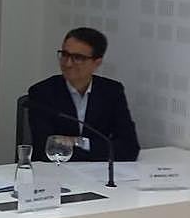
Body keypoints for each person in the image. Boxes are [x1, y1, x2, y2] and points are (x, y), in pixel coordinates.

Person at [27, 26, 140, 162]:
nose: (68, 63)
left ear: (96, 63)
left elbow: (130, 148)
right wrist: (99, 150)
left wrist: (79, 142)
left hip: (98, 175)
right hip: (54, 173)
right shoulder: (42, 93)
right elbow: (45, 150)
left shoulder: (112, 91)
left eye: (77, 58)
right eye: (65, 55)